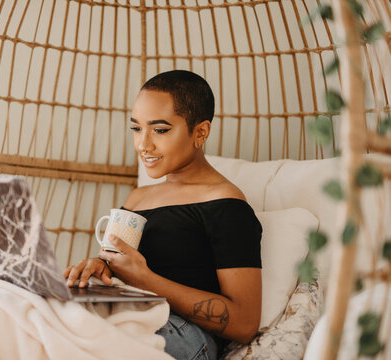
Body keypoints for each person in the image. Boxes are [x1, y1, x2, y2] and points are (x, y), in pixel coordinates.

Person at [63, 70, 262, 360]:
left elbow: (244, 323)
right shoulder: (137, 198)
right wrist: (98, 266)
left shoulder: (226, 205)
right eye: (136, 128)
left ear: (200, 132)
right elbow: (116, 265)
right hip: (123, 312)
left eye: (160, 130)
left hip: (181, 332)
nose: (144, 145)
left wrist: (146, 279)